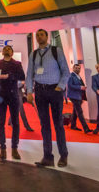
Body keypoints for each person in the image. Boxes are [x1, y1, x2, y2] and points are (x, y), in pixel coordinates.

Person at [25, 29, 70, 168]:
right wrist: (29, 91)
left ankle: (63, 155)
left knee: (58, 124)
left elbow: (66, 71)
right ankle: (47, 157)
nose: (39, 37)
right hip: (40, 91)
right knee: (44, 125)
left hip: (54, 90)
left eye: (41, 35)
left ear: (47, 36)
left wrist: (60, 87)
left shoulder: (56, 51)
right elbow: (29, 74)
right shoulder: (33, 54)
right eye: (37, 35)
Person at [0, 45, 25, 160]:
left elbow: (22, 76)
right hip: (1, 97)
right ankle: (2, 148)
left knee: (15, 123)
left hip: (13, 96)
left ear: (12, 53)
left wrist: (8, 76)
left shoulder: (17, 64)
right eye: (5, 49)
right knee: (0, 123)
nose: (7, 50)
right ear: (2, 52)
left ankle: (14, 148)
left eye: (9, 49)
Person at [66, 63, 91, 133]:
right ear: (73, 68)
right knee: (80, 112)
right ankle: (86, 128)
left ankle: (73, 125)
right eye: (76, 68)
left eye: (79, 68)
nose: (77, 69)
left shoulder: (78, 76)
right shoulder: (71, 76)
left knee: (75, 111)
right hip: (74, 96)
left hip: (79, 96)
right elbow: (70, 86)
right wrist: (80, 87)